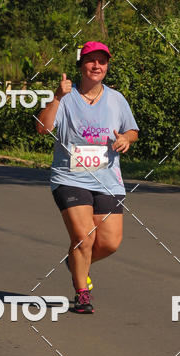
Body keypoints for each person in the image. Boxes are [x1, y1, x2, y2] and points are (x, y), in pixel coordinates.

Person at [36, 41, 138, 314]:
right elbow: (43, 129)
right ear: (81, 65)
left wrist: (126, 139)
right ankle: (82, 293)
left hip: (108, 180)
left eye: (102, 61)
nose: (96, 66)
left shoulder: (116, 99)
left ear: (107, 66)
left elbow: (132, 130)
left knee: (109, 243)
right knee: (84, 237)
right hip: (70, 178)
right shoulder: (66, 98)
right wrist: (56, 97)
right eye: (91, 61)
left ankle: (76, 262)